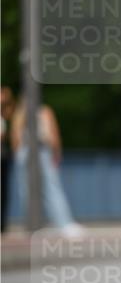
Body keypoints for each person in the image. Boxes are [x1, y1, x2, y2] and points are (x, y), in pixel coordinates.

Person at [10, 99, 86, 236]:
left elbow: (15, 136)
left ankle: (35, 225)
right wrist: (57, 153)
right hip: (40, 150)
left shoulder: (21, 113)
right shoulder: (43, 111)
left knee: (29, 190)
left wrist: (18, 153)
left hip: (28, 152)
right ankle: (63, 224)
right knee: (51, 188)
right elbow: (54, 134)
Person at [1, 86, 15, 233]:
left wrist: (8, 99)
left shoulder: (4, 115)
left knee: (4, 190)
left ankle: (2, 224)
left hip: (3, 156)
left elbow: (12, 112)